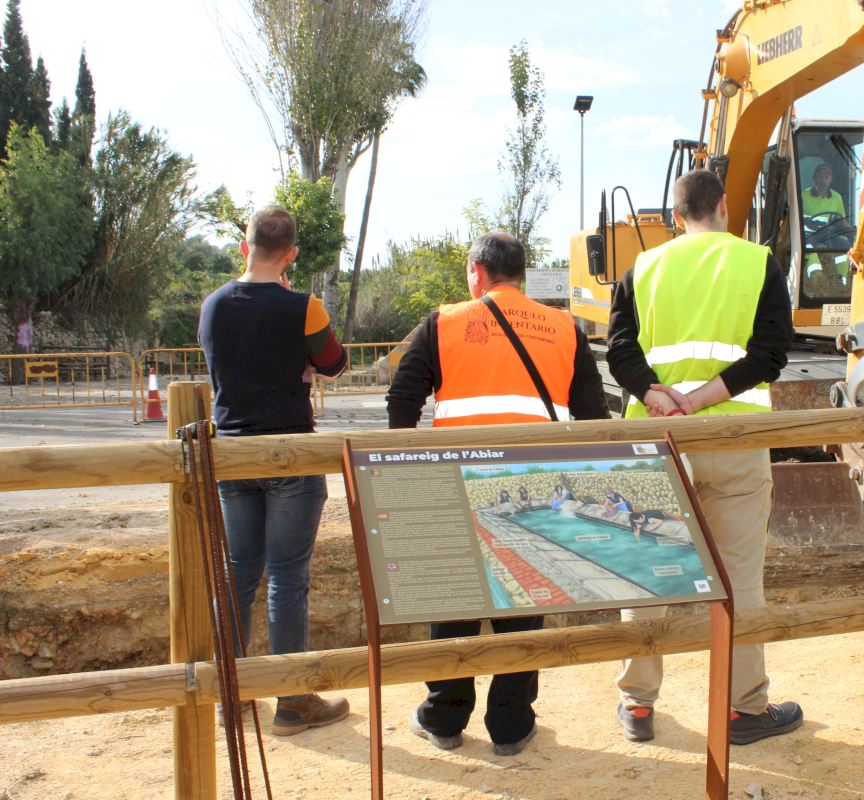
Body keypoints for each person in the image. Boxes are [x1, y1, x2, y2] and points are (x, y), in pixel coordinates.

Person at [386, 231, 608, 756]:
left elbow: (402, 398)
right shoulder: (565, 328)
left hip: (453, 482)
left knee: (455, 604)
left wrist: (402, 470)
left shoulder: (443, 323)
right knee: (526, 598)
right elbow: (594, 418)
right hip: (533, 487)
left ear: (478, 273)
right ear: (520, 275)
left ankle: (444, 718)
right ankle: (511, 725)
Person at [607, 168, 799, 745]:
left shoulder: (642, 268)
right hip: (736, 439)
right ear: (723, 205)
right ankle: (745, 710)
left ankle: (638, 705)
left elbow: (619, 350)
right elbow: (771, 353)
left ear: (675, 216)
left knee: (644, 575)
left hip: (658, 441)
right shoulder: (758, 263)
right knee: (740, 579)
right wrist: (704, 397)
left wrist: (657, 395)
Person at [197, 206, 350, 736]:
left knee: (238, 574)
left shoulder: (213, 305)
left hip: (232, 456)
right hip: (291, 455)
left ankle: (229, 696)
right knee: (288, 578)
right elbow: (334, 363)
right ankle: (293, 699)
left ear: (245, 248)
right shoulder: (304, 307)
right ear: (291, 254)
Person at [801, 163, 848, 287]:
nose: (823, 180)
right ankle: (816, 280)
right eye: (820, 177)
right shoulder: (803, 195)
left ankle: (842, 282)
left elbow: (841, 220)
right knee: (808, 248)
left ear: (831, 179)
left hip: (827, 235)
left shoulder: (837, 197)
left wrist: (854, 232)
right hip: (808, 234)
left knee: (845, 246)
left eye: (826, 177)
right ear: (814, 179)